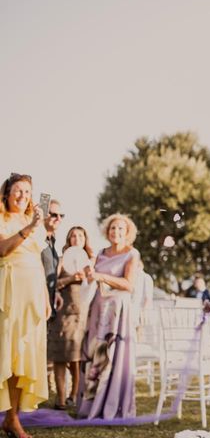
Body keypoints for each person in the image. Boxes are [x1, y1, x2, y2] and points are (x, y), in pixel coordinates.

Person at [0, 173, 50, 438]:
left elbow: (39, 262)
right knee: (7, 354)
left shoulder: (35, 223)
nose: (23, 196)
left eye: (27, 192)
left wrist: (45, 297)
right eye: (18, 191)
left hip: (32, 294)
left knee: (25, 356)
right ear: (7, 193)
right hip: (8, 295)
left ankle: (12, 419)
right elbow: (3, 249)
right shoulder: (2, 218)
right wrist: (28, 228)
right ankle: (9, 417)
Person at [77, 213, 139, 419]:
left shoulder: (132, 254)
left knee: (112, 356)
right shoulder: (100, 252)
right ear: (107, 230)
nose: (116, 232)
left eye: (121, 228)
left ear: (127, 232)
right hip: (97, 309)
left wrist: (101, 276)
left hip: (117, 312)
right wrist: (87, 273)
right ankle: (90, 406)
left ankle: (111, 405)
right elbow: (90, 277)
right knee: (93, 354)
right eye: (113, 228)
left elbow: (129, 285)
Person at [47, 226, 95, 410]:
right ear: (69, 239)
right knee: (59, 356)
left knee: (75, 357)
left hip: (81, 314)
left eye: (80, 235)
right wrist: (70, 279)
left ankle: (73, 395)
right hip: (61, 313)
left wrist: (87, 278)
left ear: (85, 239)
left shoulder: (90, 261)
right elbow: (54, 285)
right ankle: (60, 398)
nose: (76, 238)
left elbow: (96, 286)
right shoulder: (61, 260)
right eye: (73, 236)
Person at [41, 199, 64, 321]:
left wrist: (56, 292)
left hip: (48, 306)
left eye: (61, 215)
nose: (58, 219)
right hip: (35, 303)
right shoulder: (36, 239)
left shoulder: (52, 243)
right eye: (54, 215)